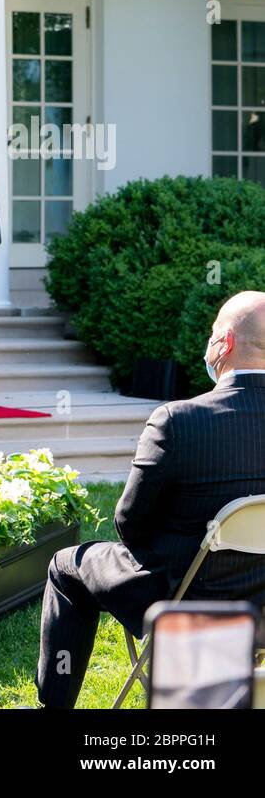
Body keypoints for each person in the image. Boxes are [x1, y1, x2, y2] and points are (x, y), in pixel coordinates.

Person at [36, 291, 265, 708]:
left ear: (225, 344)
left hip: (179, 599)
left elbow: (130, 523)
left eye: (214, 335)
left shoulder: (177, 420)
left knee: (65, 566)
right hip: (260, 611)